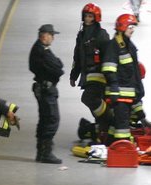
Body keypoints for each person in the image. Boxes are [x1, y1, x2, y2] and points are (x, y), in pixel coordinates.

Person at [70, 3, 111, 143]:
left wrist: (111, 77)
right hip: (88, 76)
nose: (87, 19)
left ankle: (108, 120)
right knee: (94, 104)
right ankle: (102, 128)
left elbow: (109, 56)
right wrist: (73, 75)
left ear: (96, 18)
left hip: (100, 76)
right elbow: (77, 56)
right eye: (86, 16)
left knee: (88, 99)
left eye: (90, 16)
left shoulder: (101, 35)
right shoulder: (81, 35)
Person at [101, 14, 145, 145]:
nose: (132, 30)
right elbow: (109, 68)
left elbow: (134, 73)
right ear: (122, 27)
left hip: (127, 95)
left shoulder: (128, 45)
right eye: (130, 27)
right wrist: (114, 88)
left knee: (117, 123)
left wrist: (138, 91)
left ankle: (109, 144)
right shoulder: (114, 46)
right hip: (120, 95)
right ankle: (123, 148)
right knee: (122, 126)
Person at [29, 24, 64, 164]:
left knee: (45, 119)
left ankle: (42, 151)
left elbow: (57, 65)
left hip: (44, 88)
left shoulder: (40, 49)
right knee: (51, 119)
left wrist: (57, 64)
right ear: (45, 35)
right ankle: (45, 152)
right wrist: (57, 64)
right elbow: (58, 69)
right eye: (51, 35)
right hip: (46, 90)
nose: (53, 38)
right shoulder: (41, 51)